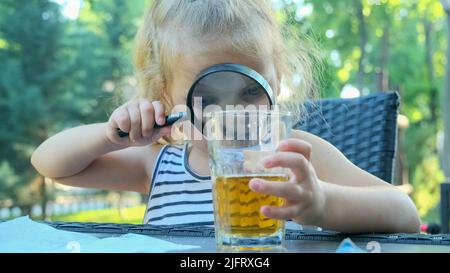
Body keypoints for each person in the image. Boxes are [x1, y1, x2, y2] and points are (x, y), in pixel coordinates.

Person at [31, 0, 420, 233]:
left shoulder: (295, 155)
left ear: (277, 80)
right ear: (166, 96)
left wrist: (321, 202)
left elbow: (404, 213)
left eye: (251, 91)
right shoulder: (158, 163)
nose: (234, 114)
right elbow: (51, 163)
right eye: (209, 97)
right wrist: (111, 135)